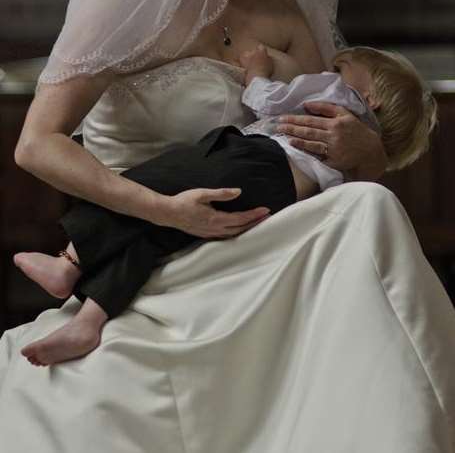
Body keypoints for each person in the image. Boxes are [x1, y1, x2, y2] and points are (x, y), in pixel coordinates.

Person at [1, 0, 454, 453]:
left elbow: (317, 148)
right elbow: (37, 146)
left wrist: (363, 151)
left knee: (369, 212)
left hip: (260, 238)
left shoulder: (280, 11)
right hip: (143, 246)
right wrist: (164, 211)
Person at [13, 43, 437, 367]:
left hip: (256, 162)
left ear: (371, 96)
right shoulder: (351, 151)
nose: (330, 70)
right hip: (279, 193)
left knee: (144, 186)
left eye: (342, 68)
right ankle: (90, 320)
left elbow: (267, 100)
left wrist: (257, 71)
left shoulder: (337, 98)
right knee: (158, 228)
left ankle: (70, 261)